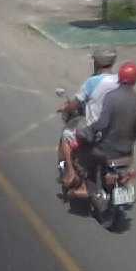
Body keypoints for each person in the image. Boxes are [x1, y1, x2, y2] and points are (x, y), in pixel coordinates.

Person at [74, 61, 136, 193]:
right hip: (126, 151)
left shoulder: (111, 97)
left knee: (84, 157)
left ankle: (88, 188)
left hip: (107, 150)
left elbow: (103, 123)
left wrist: (89, 130)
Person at [57, 47, 119, 190]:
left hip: (95, 131)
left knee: (66, 135)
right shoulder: (119, 81)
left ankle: (71, 173)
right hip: (115, 131)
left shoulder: (92, 82)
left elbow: (76, 103)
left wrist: (66, 108)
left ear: (96, 62)